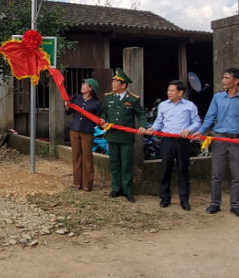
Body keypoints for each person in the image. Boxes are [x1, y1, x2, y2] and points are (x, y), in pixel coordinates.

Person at [194, 67, 239, 218]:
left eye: (227, 78)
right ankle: (215, 203)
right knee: (216, 173)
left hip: (237, 139)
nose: (223, 80)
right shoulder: (217, 97)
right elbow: (209, 117)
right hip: (219, 138)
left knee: (237, 175)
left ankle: (235, 205)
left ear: (236, 81)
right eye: (223, 77)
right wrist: (200, 131)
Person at [148, 80, 201, 211]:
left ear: (180, 92)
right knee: (166, 168)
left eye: (172, 91)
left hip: (183, 142)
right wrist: (152, 129)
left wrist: (188, 130)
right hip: (167, 140)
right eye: (168, 90)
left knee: (183, 170)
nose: (169, 93)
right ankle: (165, 197)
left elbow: (197, 122)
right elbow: (158, 122)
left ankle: (184, 199)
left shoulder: (190, 106)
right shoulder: (163, 105)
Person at [99, 68, 147, 203]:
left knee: (126, 164)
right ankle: (116, 188)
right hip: (112, 135)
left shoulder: (132, 99)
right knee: (114, 163)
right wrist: (102, 121)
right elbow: (104, 113)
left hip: (126, 138)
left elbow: (141, 114)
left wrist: (143, 126)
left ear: (123, 85)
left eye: (115, 82)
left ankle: (127, 190)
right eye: (113, 82)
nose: (112, 84)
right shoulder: (108, 98)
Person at [65, 78, 102, 192]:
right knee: (76, 155)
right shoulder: (76, 98)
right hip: (74, 129)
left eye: (85, 85)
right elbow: (68, 112)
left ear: (90, 88)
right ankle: (77, 182)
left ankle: (87, 183)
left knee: (87, 156)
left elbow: (98, 118)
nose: (82, 86)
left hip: (87, 131)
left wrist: (102, 124)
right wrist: (66, 106)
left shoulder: (96, 103)